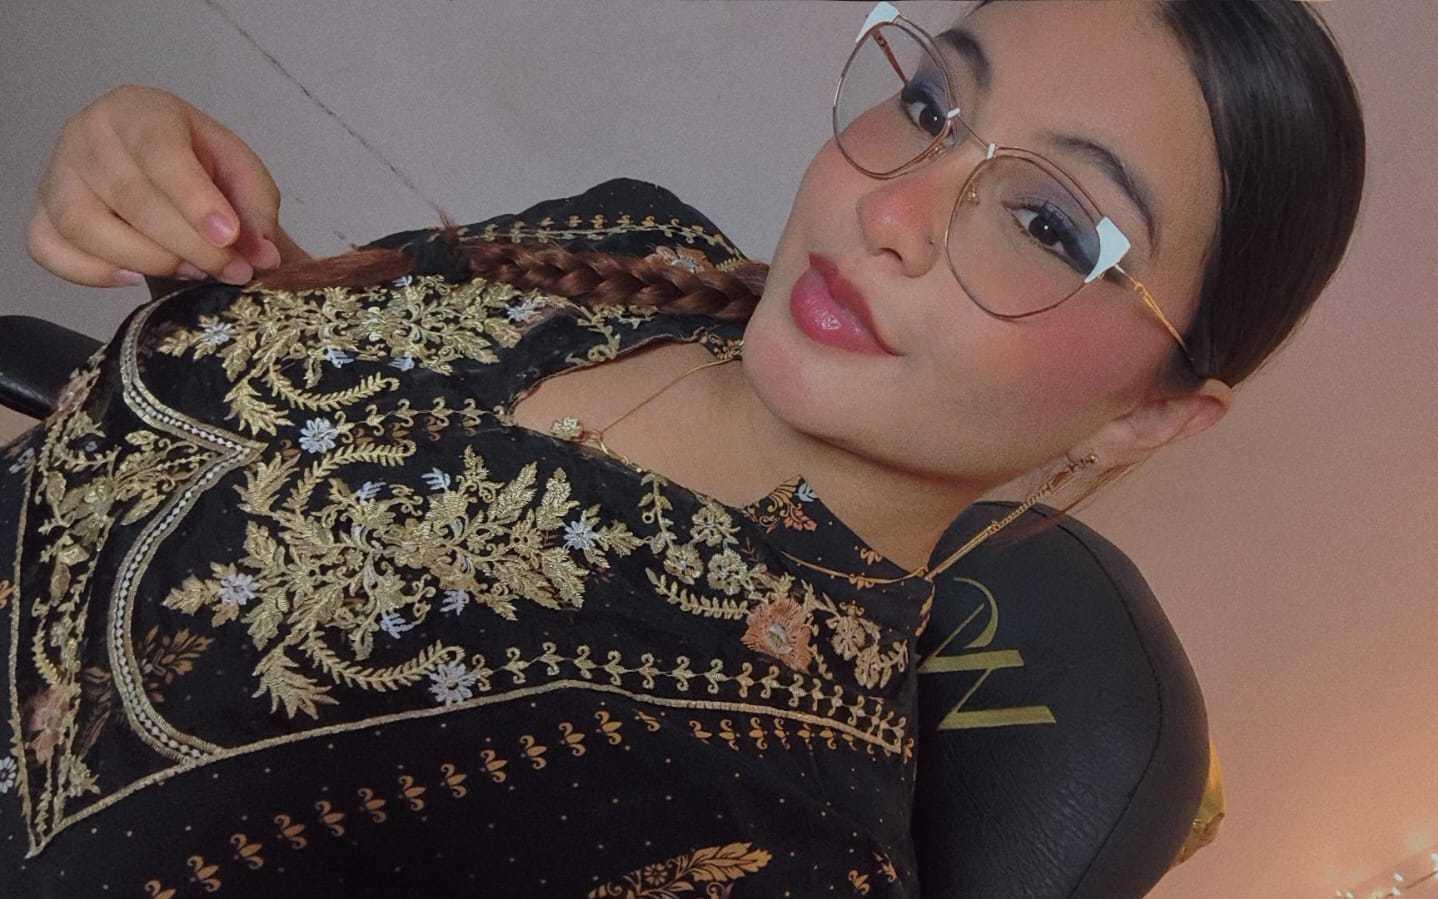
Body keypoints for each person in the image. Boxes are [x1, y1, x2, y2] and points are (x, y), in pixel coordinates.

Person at [6, 1, 1365, 895]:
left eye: (1052, 224)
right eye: (934, 107)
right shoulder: (632, 238)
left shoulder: (747, 830)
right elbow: (309, 408)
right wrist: (165, 200)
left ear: (1148, 414)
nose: (892, 207)